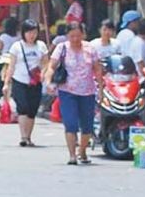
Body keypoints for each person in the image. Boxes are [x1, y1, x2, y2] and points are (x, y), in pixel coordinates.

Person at [43, 21, 101, 165]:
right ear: (67, 36)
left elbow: (97, 69)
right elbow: (51, 66)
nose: (75, 39)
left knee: (87, 125)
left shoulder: (91, 49)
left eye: (78, 36)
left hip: (87, 91)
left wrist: (101, 87)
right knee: (70, 123)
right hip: (67, 91)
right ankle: (72, 155)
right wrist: (48, 81)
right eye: (72, 36)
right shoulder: (61, 48)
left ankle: (82, 150)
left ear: (83, 34)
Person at [3, 20, 48, 147]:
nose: (32, 35)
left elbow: (46, 63)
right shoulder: (16, 46)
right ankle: (23, 137)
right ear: (23, 33)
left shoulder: (41, 46)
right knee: (23, 108)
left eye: (34, 32)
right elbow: (11, 66)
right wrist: (6, 83)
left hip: (35, 82)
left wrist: (44, 73)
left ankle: (28, 136)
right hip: (19, 81)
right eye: (29, 32)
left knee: (32, 110)